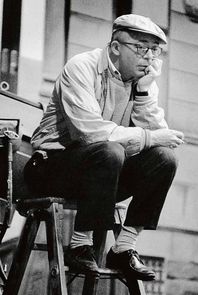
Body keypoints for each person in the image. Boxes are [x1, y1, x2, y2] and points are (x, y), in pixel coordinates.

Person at [24, 14, 184, 281]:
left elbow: (159, 137)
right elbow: (91, 133)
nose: (149, 58)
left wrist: (144, 93)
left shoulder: (143, 82)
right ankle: (79, 245)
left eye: (155, 51)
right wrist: (150, 138)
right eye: (141, 47)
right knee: (110, 150)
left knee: (164, 159)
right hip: (51, 168)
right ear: (115, 47)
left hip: (103, 174)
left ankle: (124, 247)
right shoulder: (81, 67)